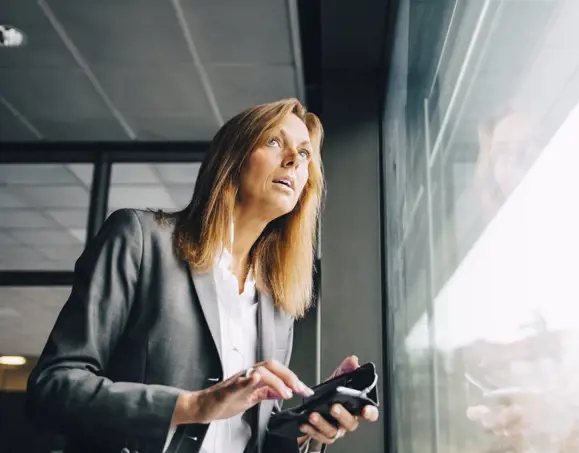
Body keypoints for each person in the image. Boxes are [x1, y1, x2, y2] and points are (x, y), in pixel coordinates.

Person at [25, 98, 379, 453]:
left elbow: (247, 437)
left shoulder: (276, 299)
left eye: (304, 154)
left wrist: (308, 426)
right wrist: (191, 408)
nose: (293, 160)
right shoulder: (141, 240)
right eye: (274, 142)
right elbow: (53, 388)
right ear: (232, 157)